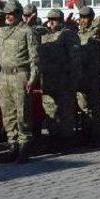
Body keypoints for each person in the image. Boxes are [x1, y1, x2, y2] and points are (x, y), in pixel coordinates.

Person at [0, 0, 40, 163]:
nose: (9, 17)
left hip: (20, 75)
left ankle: (24, 145)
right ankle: (13, 145)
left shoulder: (27, 31)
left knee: (22, 111)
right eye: (7, 14)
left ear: (18, 14)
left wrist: (32, 78)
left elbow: (34, 58)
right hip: (4, 76)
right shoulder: (2, 31)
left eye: (12, 14)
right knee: (7, 112)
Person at [39, 9, 81, 151]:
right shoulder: (44, 35)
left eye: (55, 19)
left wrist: (72, 81)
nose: (51, 22)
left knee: (66, 112)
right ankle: (53, 138)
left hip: (64, 80)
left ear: (61, 20)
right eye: (49, 19)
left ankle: (67, 140)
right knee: (50, 111)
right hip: (48, 81)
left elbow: (75, 60)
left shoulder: (69, 35)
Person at [76, 6, 100, 146]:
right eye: (81, 17)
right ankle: (85, 133)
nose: (83, 20)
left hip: (95, 76)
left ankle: (96, 134)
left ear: (92, 18)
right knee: (83, 106)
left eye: (86, 17)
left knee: (96, 107)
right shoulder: (76, 35)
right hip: (81, 76)